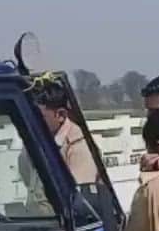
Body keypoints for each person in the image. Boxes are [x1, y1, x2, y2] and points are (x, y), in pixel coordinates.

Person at [19, 76, 100, 213]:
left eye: (39, 117)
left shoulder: (79, 146)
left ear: (60, 115)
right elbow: (27, 177)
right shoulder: (35, 141)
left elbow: (77, 202)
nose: (32, 122)